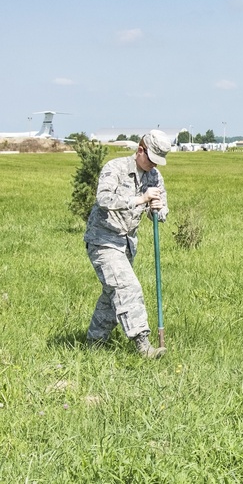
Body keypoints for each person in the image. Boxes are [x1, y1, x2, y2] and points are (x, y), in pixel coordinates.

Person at [84, 130, 172, 359]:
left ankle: (94, 342)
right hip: (103, 240)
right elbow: (103, 200)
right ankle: (143, 345)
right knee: (127, 288)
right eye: (151, 158)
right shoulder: (116, 168)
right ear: (140, 150)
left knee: (112, 294)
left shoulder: (154, 176)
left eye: (158, 161)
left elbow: (161, 210)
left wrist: (158, 210)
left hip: (127, 243)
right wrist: (140, 200)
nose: (154, 165)